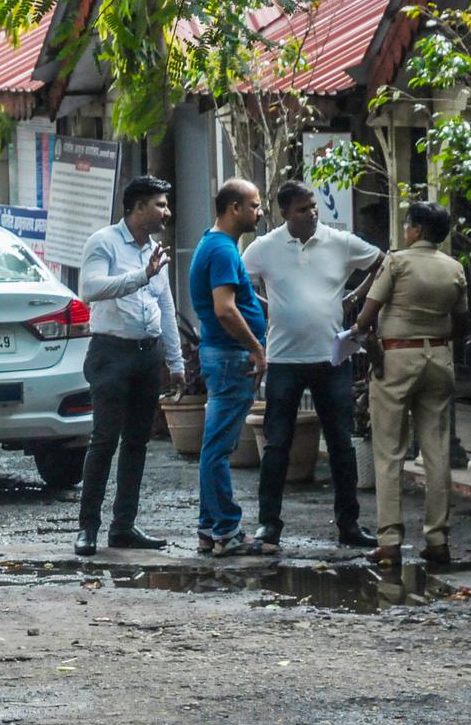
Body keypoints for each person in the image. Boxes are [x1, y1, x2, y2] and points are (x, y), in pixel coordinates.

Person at [242, 180, 383, 552]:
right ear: (285, 213)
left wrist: (356, 296)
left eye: (314, 206)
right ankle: (269, 525)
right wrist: (265, 305)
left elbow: (383, 263)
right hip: (284, 359)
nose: (312, 213)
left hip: (331, 358)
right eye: (303, 208)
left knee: (340, 443)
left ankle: (349, 524)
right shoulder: (265, 247)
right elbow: (240, 282)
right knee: (276, 444)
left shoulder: (340, 241)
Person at [349, 201, 468, 566]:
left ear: (415, 228)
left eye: (406, 225)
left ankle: (389, 542)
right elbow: (462, 324)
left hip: (396, 360)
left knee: (390, 453)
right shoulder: (454, 268)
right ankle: (437, 540)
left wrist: (357, 337)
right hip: (439, 360)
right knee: (436, 453)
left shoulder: (396, 262)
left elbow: (367, 316)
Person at [73, 175, 185, 557]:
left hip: (147, 354)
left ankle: (123, 526)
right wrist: (141, 276)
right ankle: (88, 527)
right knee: (104, 440)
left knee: (137, 442)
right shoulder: (103, 242)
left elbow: (166, 306)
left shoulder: (155, 249)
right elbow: (89, 289)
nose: (166, 212)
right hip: (110, 353)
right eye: (160, 205)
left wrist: (176, 361)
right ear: (138, 208)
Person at [189, 178, 268, 557]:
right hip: (230, 357)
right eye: (254, 205)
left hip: (224, 356)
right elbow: (224, 308)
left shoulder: (215, 244)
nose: (259, 211)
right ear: (234, 208)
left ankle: (211, 527)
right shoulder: (221, 249)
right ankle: (226, 530)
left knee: (215, 445)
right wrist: (256, 349)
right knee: (219, 448)